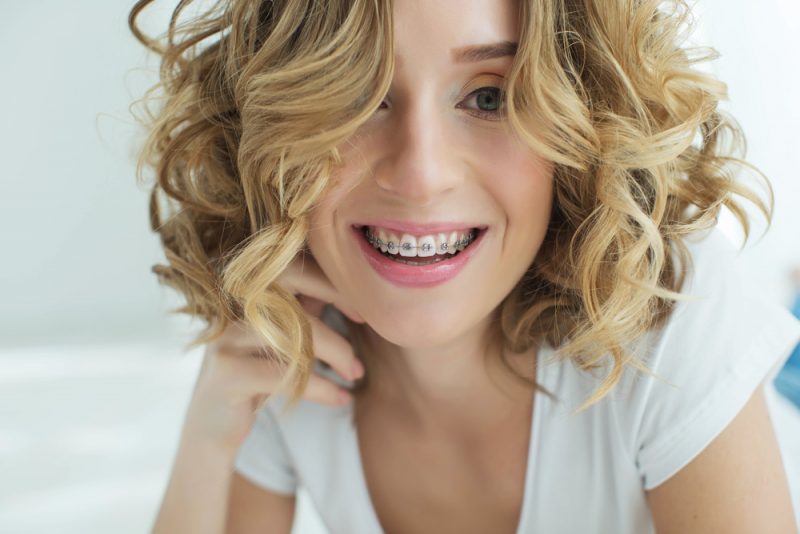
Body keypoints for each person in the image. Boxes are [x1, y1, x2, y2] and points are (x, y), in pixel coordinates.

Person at [128, 0, 800, 532]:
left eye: (488, 98)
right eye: (358, 97)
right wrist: (208, 437)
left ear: (582, 123)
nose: (419, 176)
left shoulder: (670, 311)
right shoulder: (293, 350)